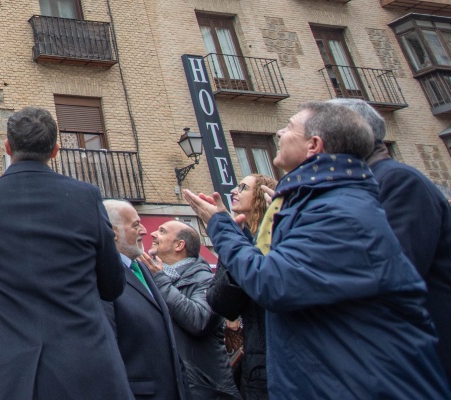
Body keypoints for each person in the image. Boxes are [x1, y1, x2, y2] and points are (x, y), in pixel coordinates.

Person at [185, 101, 451, 400]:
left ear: (314, 144)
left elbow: (275, 282)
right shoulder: (317, 201)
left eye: (289, 127)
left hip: (357, 377)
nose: (279, 132)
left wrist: (222, 226)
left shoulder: (344, 205)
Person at [0, 106, 132, 399]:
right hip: (85, 366)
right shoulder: (87, 198)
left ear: (7, 147)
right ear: (55, 150)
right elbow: (113, 284)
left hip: (9, 371)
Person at [335, 97, 451, 384]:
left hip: (425, 360)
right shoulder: (368, 182)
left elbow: (395, 272)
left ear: (349, 134)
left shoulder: (398, 180)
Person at [138, 221, 238, 400]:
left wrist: (160, 281)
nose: (152, 234)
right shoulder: (155, 276)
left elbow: (200, 320)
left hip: (204, 391)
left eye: (162, 231)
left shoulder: (204, 278)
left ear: (179, 245)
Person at [103, 199, 185, 400]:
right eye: (135, 225)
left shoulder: (143, 269)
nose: (145, 231)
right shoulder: (104, 278)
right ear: (113, 232)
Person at [206, 173, 277, 400]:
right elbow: (219, 301)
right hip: (257, 364)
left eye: (243, 187)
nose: (234, 191)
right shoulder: (239, 237)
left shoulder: (273, 236)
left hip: (274, 361)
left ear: (260, 197)